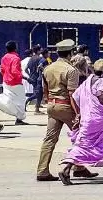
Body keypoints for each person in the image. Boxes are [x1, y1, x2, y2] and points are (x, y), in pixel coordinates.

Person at [58, 59, 103, 185]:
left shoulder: (87, 82)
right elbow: (100, 95)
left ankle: (66, 169)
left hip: (87, 119)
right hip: (101, 119)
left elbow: (75, 96)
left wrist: (80, 113)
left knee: (83, 144)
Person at [36, 39, 97, 182]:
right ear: (70, 54)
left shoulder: (48, 68)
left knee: (49, 139)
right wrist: (78, 113)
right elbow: (72, 94)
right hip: (66, 106)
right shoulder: (71, 70)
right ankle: (76, 168)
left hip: (52, 106)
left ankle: (42, 170)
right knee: (81, 136)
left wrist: (50, 103)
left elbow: (45, 90)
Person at [0, 40, 28, 126]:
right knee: (21, 101)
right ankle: (19, 119)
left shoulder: (4, 58)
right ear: (15, 48)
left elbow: (1, 70)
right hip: (16, 83)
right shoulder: (16, 58)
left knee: (9, 98)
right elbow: (15, 71)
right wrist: (23, 77)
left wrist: (6, 76)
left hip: (6, 82)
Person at [25, 47, 47, 115]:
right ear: (37, 51)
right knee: (39, 93)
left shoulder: (31, 58)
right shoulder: (40, 58)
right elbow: (40, 66)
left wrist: (30, 75)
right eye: (40, 50)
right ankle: (36, 109)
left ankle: (36, 105)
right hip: (38, 78)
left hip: (32, 78)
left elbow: (26, 69)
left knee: (37, 92)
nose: (41, 51)